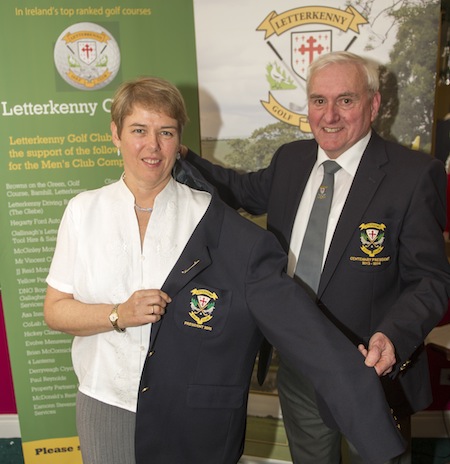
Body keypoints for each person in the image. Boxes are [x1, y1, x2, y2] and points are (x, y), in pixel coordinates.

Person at [44, 76, 405, 464]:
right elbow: (55, 310)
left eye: (165, 132)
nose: (152, 145)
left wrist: (372, 423)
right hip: (106, 401)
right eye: (138, 130)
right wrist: (117, 314)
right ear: (115, 134)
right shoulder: (83, 212)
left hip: (190, 418)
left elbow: (303, 331)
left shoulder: (220, 227)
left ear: (179, 141)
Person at [182, 51, 450, 464]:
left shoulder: (413, 176)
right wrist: (178, 156)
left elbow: (431, 279)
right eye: (318, 101)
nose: (329, 115)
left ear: (373, 104)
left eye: (345, 100)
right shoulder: (292, 159)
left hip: (371, 373)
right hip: (299, 366)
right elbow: (236, 189)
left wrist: (393, 336)